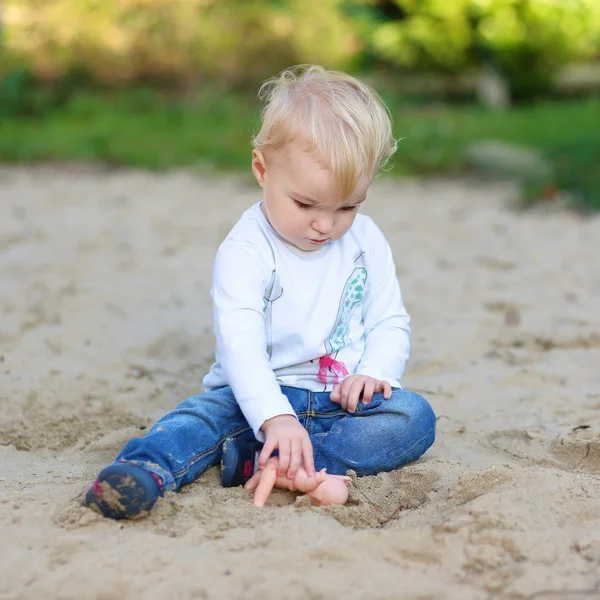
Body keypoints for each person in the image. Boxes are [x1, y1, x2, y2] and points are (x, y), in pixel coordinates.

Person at [84, 65, 436, 519]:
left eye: (348, 206)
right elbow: (240, 344)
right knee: (198, 419)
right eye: (306, 204)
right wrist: (274, 417)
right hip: (251, 400)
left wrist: (374, 373)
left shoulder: (367, 240)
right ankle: (144, 471)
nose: (325, 225)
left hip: (338, 404)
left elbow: (389, 320)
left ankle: (269, 464)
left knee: (413, 419)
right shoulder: (247, 248)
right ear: (261, 168)